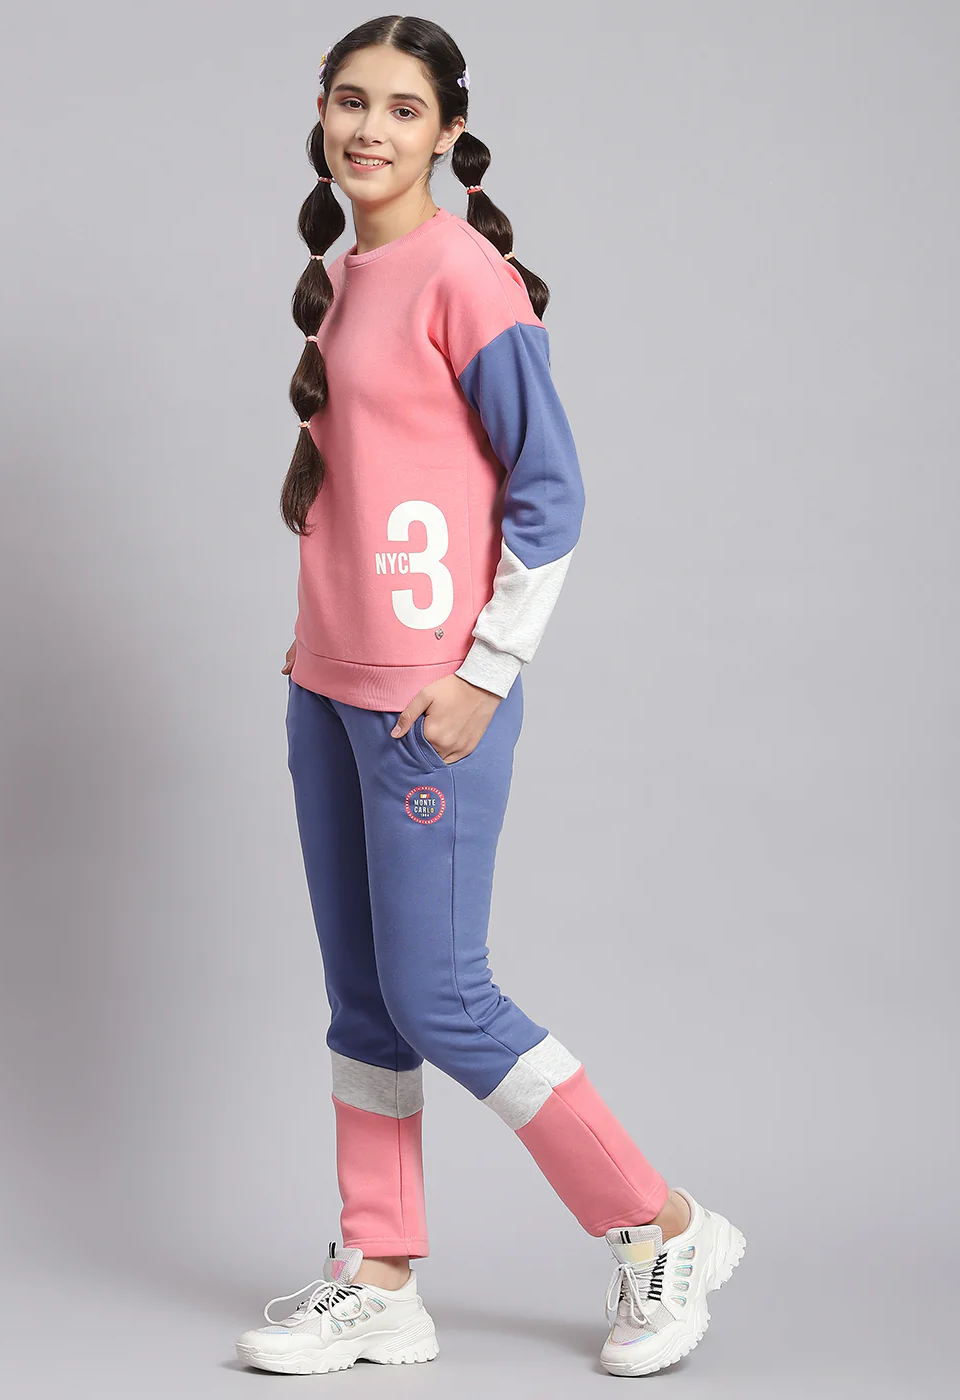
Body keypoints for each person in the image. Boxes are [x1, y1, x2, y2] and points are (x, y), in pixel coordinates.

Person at [235, 17, 745, 1379]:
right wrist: (314, 647)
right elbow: (368, 492)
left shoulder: (467, 275)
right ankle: (379, 1274)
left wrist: (485, 672)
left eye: (403, 110)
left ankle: (661, 1225)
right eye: (351, 101)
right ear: (321, 111)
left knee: (441, 994)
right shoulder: (347, 276)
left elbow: (552, 493)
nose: (371, 130)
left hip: (429, 700)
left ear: (448, 134)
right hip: (328, 688)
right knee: (363, 1001)